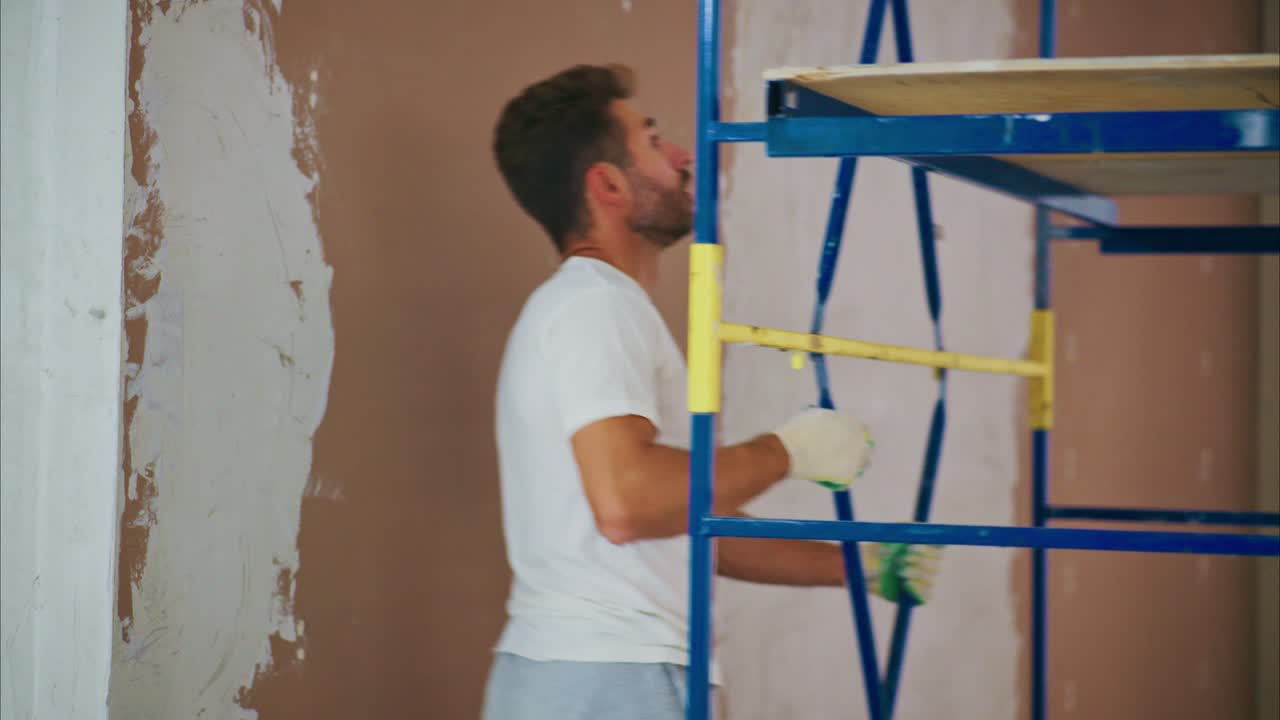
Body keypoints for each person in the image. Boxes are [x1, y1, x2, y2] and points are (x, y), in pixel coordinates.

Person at [484, 64, 940, 720]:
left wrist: (860, 565)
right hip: (611, 678)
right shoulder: (596, 306)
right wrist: (786, 451)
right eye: (653, 142)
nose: (682, 156)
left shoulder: (590, 307)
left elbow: (686, 524)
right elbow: (630, 503)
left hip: (592, 674)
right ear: (608, 185)